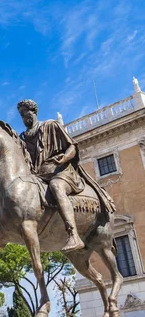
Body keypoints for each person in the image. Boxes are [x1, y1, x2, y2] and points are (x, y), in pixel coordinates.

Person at [17, 99, 114, 252]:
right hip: (40, 175)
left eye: (25, 112)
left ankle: (73, 234)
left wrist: (63, 158)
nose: (23, 117)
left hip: (62, 171)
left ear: (33, 111)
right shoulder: (22, 138)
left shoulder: (51, 125)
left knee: (56, 186)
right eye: (21, 114)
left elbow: (72, 147)